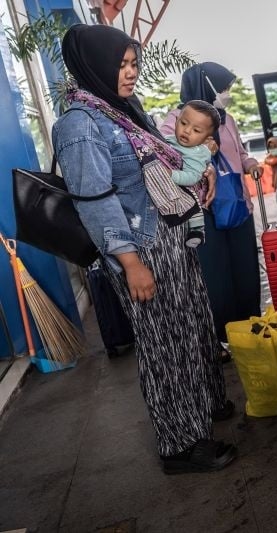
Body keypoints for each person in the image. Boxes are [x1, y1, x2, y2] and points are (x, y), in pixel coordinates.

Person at [52, 24, 236, 474]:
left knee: (192, 325)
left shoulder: (121, 109)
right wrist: (130, 263)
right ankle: (180, 444)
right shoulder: (79, 125)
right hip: (140, 248)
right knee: (164, 344)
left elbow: (169, 154)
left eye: (133, 63)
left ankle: (204, 405)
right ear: (94, 65)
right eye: (121, 64)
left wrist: (200, 170)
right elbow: (95, 201)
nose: (131, 72)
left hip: (168, 235)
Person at [160, 63, 262, 356]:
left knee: (246, 273)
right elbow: (167, 158)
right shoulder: (177, 120)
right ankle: (226, 340)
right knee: (217, 279)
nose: (227, 94)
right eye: (224, 88)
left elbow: (239, 154)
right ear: (207, 86)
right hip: (204, 213)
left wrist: (250, 164)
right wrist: (202, 154)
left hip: (237, 207)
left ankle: (251, 331)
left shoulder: (227, 120)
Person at [164, 100, 221, 247]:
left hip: (187, 189)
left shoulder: (198, 154)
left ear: (206, 138)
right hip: (169, 193)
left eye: (196, 130)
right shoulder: (166, 140)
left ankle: (197, 231)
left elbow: (192, 177)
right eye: (183, 123)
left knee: (193, 206)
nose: (187, 131)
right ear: (176, 121)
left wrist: (172, 174)